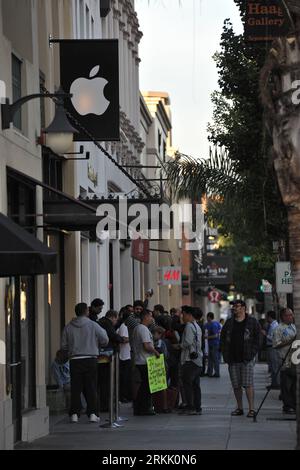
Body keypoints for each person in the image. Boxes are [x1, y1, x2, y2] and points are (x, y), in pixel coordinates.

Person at [61, 302, 108, 423]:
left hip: (75, 360)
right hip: (90, 358)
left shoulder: (68, 327)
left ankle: (75, 414)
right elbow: (105, 338)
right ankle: (92, 412)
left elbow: (64, 345)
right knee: (91, 386)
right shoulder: (93, 325)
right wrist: (98, 344)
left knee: (76, 387)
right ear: (86, 312)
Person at [220, 300, 260, 418]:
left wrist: (252, 354)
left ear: (243, 308)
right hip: (232, 359)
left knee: (248, 384)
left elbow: (258, 339)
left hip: (246, 359)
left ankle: (252, 409)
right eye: (233, 307)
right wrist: (225, 354)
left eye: (237, 306)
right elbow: (222, 338)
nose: (234, 309)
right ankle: (240, 407)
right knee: (236, 385)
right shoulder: (229, 322)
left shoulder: (252, 322)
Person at [132, 310, 160, 416]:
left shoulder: (138, 328)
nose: (152, 319)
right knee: (146, 386)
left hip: (141, 360)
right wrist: (156, 352)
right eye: (150, 317)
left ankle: (140, 407)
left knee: (144, 385)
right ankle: (143, 408)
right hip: (144, 360)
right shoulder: (143, 329)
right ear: (146, 317)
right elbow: (147, 345)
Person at [97, 310, 125, 412]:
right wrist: (121, 339)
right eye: (116, 319)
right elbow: (112, 335)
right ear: (113, 317)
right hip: (106, 355)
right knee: (106, 381)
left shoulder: (102, 322)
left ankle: (105, 404)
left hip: (103, 355)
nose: (116, 321)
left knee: (105, 381)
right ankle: (105, 405)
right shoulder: (106, 323)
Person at [179, 306, 203, 416]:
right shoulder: (197, 326)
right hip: (198, 359)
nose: (182, 317)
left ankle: (190, 407)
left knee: (187, 384)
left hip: (189, 359)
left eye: (183, 314)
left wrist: (179, 346)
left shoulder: (189, 326)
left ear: (188, 314)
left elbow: (187, 342)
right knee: (195, 385)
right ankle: (197, 407)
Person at [273, 308, 297, 414]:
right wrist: (289, 342)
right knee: (286, 385)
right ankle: (287, 405)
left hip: (295, 359)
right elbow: (276, 345)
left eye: (291, 315)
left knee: (294, 384)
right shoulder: (278, 329)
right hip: (285, 360)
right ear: (283, 317)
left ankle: (294, 404)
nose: (290, 317)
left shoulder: (293, 327)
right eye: (288, 315)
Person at [117, 308, 132, 403]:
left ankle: (124, 395)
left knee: (126, 377)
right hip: (124, 355)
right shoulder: (124, 327)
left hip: (126, 354)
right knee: (124, 378)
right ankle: (122, 396)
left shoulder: (125, 326)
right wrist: (133, 337)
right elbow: (124, 339)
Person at [261, 311, 280, 389]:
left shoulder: (275, 326)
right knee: (272, 366)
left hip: (273, 347)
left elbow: (274, 339)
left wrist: (265, 334)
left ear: (269, 317)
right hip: (270, 347)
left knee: (275, 366)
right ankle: (274, 383)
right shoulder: (272, 325)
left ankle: (276, 383)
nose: (266, 319)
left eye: (267, 317)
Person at [205, 312, 221, 378]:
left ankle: (217, 373)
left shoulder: (213, 324)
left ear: (209, 317)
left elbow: (216, 335)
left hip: (214, 344)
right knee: (210, 359)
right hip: (212, 344)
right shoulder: (216, 323)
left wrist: (207, 337)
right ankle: (210, 372)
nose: (206, 318)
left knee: (215, 359)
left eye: (207, 317)